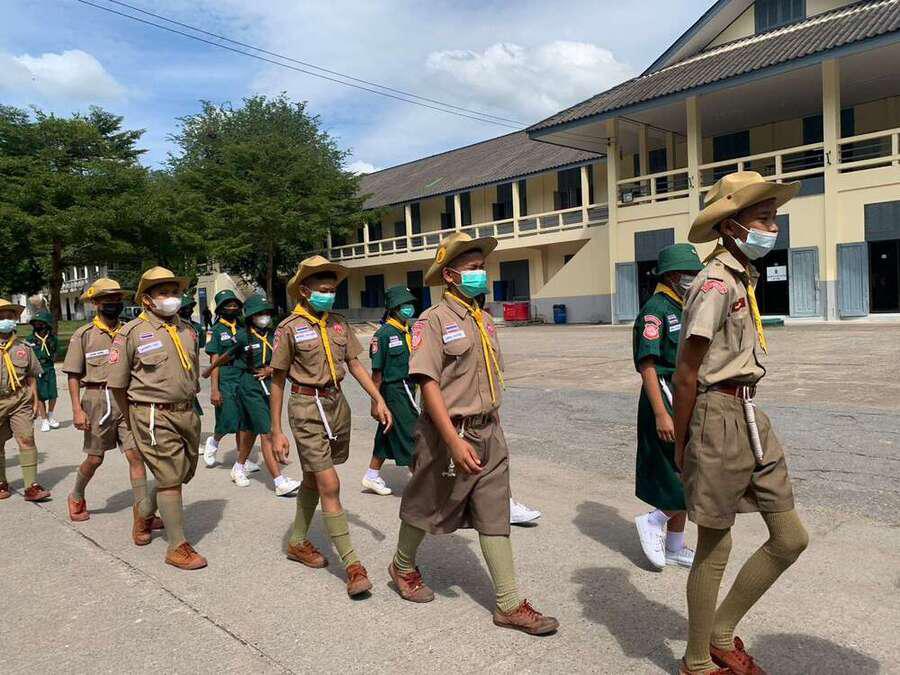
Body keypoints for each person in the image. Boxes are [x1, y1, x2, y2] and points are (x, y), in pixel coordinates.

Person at [388, 232, 558, 635]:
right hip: (449, 433)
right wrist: (452, 439)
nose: (481, 274)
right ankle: (402, 565)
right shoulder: (432, 321)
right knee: (427, 503)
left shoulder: (483, 318)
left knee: (494, 510)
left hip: (488, 430)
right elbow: (427, 381)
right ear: (450, 275)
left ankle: (509, 603)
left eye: (483, 267)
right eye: (473, 268)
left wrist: (493, 423)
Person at [673, 172, 809, 675]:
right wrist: (683, 439)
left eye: (774, 218)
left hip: (751, 412)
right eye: (764, 219)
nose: (773, 228)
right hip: (717, 414)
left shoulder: (741, 277)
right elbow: (686, 371)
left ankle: (720, 631)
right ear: (731, 226)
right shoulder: (714, 283)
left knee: (790, 537)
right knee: (715, 542)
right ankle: (697, 660)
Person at [270, 255, 392, 597]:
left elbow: (355, 364)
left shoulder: (338, 323)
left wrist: (377, 398)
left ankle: (297, 541)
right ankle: (352, 566)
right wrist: (276, 431)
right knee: (329, 483)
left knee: (313, 476)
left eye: (332, 289)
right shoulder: (289, 328)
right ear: (304, 291)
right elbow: (277, 380)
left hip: (337, 404)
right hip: (306, 407)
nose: (329, 294)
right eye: (322, 289)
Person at [107, 266, 206, 570]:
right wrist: (132, 420)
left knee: (181, 472)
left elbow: (192, 372)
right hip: (152, 414)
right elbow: (118, 385)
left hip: (186, 412)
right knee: (170, 478)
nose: (171, 298)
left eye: (175, 292)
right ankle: (177, 546)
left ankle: (144, 512)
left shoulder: (188, 330)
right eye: (163, 293)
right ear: (147, 300)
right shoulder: (131, 333)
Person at [62, 278, 163, 537]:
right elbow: (73, 375)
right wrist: (76, 409)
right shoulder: (84, 335)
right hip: (96, 400)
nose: (113, 304)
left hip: (126, 399)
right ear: (95, 303)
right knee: (95, 458)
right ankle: (76, 495)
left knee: (135, 455)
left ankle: (143, 512)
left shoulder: (130, 331)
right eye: (108, 300)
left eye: (117, 299)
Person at [632, 244, 704, 570]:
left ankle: (675, 545)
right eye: (688, 273)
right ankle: (654, 520)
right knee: (683, 473)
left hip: (684, 396)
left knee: (685, 468)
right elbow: (647, 364)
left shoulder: (682, 305)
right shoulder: (655, 310)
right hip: (664, 397)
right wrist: (661, 413)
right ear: (672, 276)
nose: (692, 278)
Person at [202, 294, 302, 497]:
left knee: (249, 429)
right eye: (259, 313)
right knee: (266, 431)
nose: (264, 317)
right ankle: (279, 481)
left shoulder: (276, 335)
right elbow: (226, 355)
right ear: (250, 316)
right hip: (250, 387)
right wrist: (209, 370)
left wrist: (271, 370)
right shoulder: (242, 336)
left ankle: (239, 466)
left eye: (267, 313)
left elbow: (287, 359)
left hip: (270, 385)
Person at [361, 285, 419, 496]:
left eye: (410, 304)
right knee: (412, 433)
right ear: (393, 308)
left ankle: (371, 475)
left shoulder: (408, 330)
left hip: (409, 387)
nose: (408, 308)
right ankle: (421, 480)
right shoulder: (383, 335)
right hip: (394, 391)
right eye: (404, 305)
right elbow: (377, 374)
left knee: (387, 431)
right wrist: (375, 402)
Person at [0, 298, 50, 502]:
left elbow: (31, 376)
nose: (5, 320)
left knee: (27, 439)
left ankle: (31, 486)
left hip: (20, 400)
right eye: (1, 317)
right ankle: (1, 483)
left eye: (9, 316)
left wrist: (36, 401)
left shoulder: (24, 347)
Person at [203, 290, 257, 473]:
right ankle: (214, 440)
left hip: (243, 377)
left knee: (244, 420)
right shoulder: (216, 330)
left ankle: (242, 460)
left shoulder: (244, 327)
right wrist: (214, 389)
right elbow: (214, 362)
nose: (232, 308)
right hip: (225, 378)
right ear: (220, 309)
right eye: (228, 305)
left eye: (235, 304)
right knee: (228, 418)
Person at [26, 310, 60, 432]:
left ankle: (50, 416)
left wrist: (53, 358)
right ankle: (44, 420)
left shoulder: (53, 339)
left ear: (47, 324)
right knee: (40, 395)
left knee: (53, 393)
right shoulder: (29, 339)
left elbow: (56, 351)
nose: (38, 325)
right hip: (37, 369)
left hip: (49, 368)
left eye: (41, 323)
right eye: (36, 323)